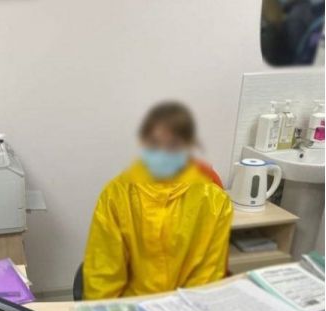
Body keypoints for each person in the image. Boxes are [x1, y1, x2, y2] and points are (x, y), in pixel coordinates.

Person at [83, 101, 233, 299]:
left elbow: (207, 273)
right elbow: (103, 272)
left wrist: (186, 310)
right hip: (131, 305)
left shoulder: (214, 201)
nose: (163, 153)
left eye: (173, 145)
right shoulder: (116, 195)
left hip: (186, 306)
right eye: (155, 144)